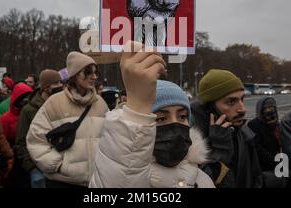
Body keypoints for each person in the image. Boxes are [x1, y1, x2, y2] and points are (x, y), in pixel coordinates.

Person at [90, 45, 215, 188]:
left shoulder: (204, 181)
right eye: (160, 118)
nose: (175, 125)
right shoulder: (124, 173)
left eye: (182, 117)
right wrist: (138, 104)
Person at [27, 52, 108, 188]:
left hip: (96, 182)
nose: (93, 77)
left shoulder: (100, 103)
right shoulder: (54, 102)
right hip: (62, 182)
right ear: (75, 74)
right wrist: (57, 165)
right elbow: (35, 139)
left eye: (96, 72)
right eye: (88, 72)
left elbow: (110, 138)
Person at [191, 69, 262, 188]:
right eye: (231, 102)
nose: (242, 109)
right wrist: (220, 150)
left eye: (242, 99)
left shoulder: (243, 132)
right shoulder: (190, 140)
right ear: (210, 108)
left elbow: (256, 178)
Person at [15, 69, 63, 188]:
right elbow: (21, 142)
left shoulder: (61, 105)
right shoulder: (28, 110)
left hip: (59, 166)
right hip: (38, 169)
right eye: (56, 83)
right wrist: (31, 168)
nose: (61, 86)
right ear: (46, 87)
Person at [247, 97, 284, 187]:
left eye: (272, 108)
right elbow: (258, 149)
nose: (269, 111)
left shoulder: (278, 125)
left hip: (282, 165)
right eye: (266, 108)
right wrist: (277, 162)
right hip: (265, 169)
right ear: (260, 110)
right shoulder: (254, 125)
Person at [0, 82, 33, 147]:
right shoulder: (5, 119)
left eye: (28, 97)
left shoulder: (34, 114)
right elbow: (2, 140)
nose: (26, 100)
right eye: (23, 98)